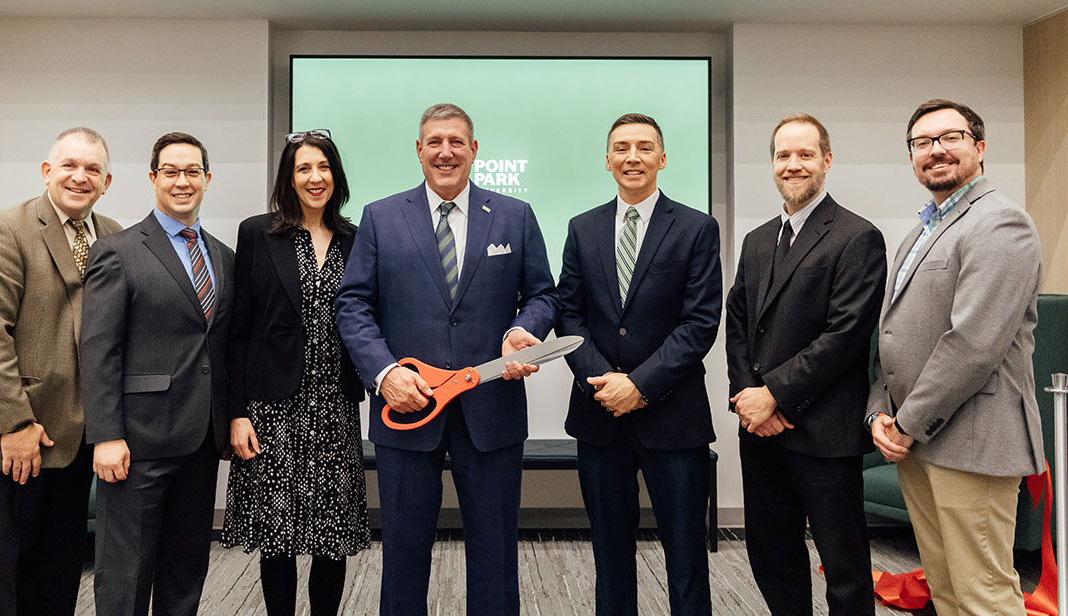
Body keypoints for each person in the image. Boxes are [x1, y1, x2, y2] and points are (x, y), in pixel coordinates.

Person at [335, 103, 559, 616]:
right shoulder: (380, 216)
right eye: (434, 141)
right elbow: (353, 304)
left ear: (474, 150)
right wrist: (385, 373)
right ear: (418, 151)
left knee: (496, 549)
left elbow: (544, 295)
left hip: (492, 408)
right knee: (404, 551)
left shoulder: (514, 215)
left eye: (456, 141)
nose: (445, 151)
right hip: (407, 408)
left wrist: (523, 330)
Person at [868, 99, 1044, 615]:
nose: (935, 151)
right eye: (922, 143)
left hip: (973, 443)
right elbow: (894, 333)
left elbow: (973, 344)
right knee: (946, 591)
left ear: (980, 147)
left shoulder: (1000, 223)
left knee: (983, 596)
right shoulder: (924, 229)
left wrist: (906, 422)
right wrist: (881, 410)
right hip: (921, 440)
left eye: (951, 137)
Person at [556, 113, 722, 616]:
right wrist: (605, 381)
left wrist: (641, 386)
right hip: (599, 413)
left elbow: (700, 323)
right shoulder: (581, 228)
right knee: (609, 550)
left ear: (662, 159)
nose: (633, 157)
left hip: (673, 415)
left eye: (645, 148)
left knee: (686, 552)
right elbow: (568, 312)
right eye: (622, 148)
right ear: (607, 160)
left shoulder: (696, 227)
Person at [726, 113, 886, 615]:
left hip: (824, 432)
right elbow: (737, 325)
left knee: (843, 565)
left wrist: (772, 393)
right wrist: (750, 399)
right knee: (773, 556)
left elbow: (844, 336)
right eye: (783, 155)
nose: (793, 165)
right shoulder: (757, 240)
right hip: (761, 430)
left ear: (827, 161)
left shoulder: (857, 237)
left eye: (805, 154)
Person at [0, 127, 120, 616]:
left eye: (92, 169)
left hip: (75, 434)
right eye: (69, 165)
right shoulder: (5, 229)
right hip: (16, 436)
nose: (80, 176)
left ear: (107, 181)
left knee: (59, 570)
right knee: (7, 573)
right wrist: (14, 425)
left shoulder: (113, 235)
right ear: (47, 172)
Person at [81, 131, 235, 616]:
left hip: (200, 440)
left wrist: (230, 418)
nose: (182, 181)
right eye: (171, 172)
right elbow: (98, 348)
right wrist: (105, 435)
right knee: (125, 573)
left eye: (193, 172)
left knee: (185, 571)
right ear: (153, 179)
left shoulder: (223, 256)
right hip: (138, 443)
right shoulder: (118, 251)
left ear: (207, 180)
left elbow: (222, 349)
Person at [221, 129, 369, 616]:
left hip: (335, 405)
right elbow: (238, 330)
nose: (314, 177)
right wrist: (238, 413)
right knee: (277, 536)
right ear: (288, 176)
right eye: (303, 168)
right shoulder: (258, 233)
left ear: (336, 175)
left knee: (332, 536)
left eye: (323, 167)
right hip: (272, 409)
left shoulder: (356, 238)